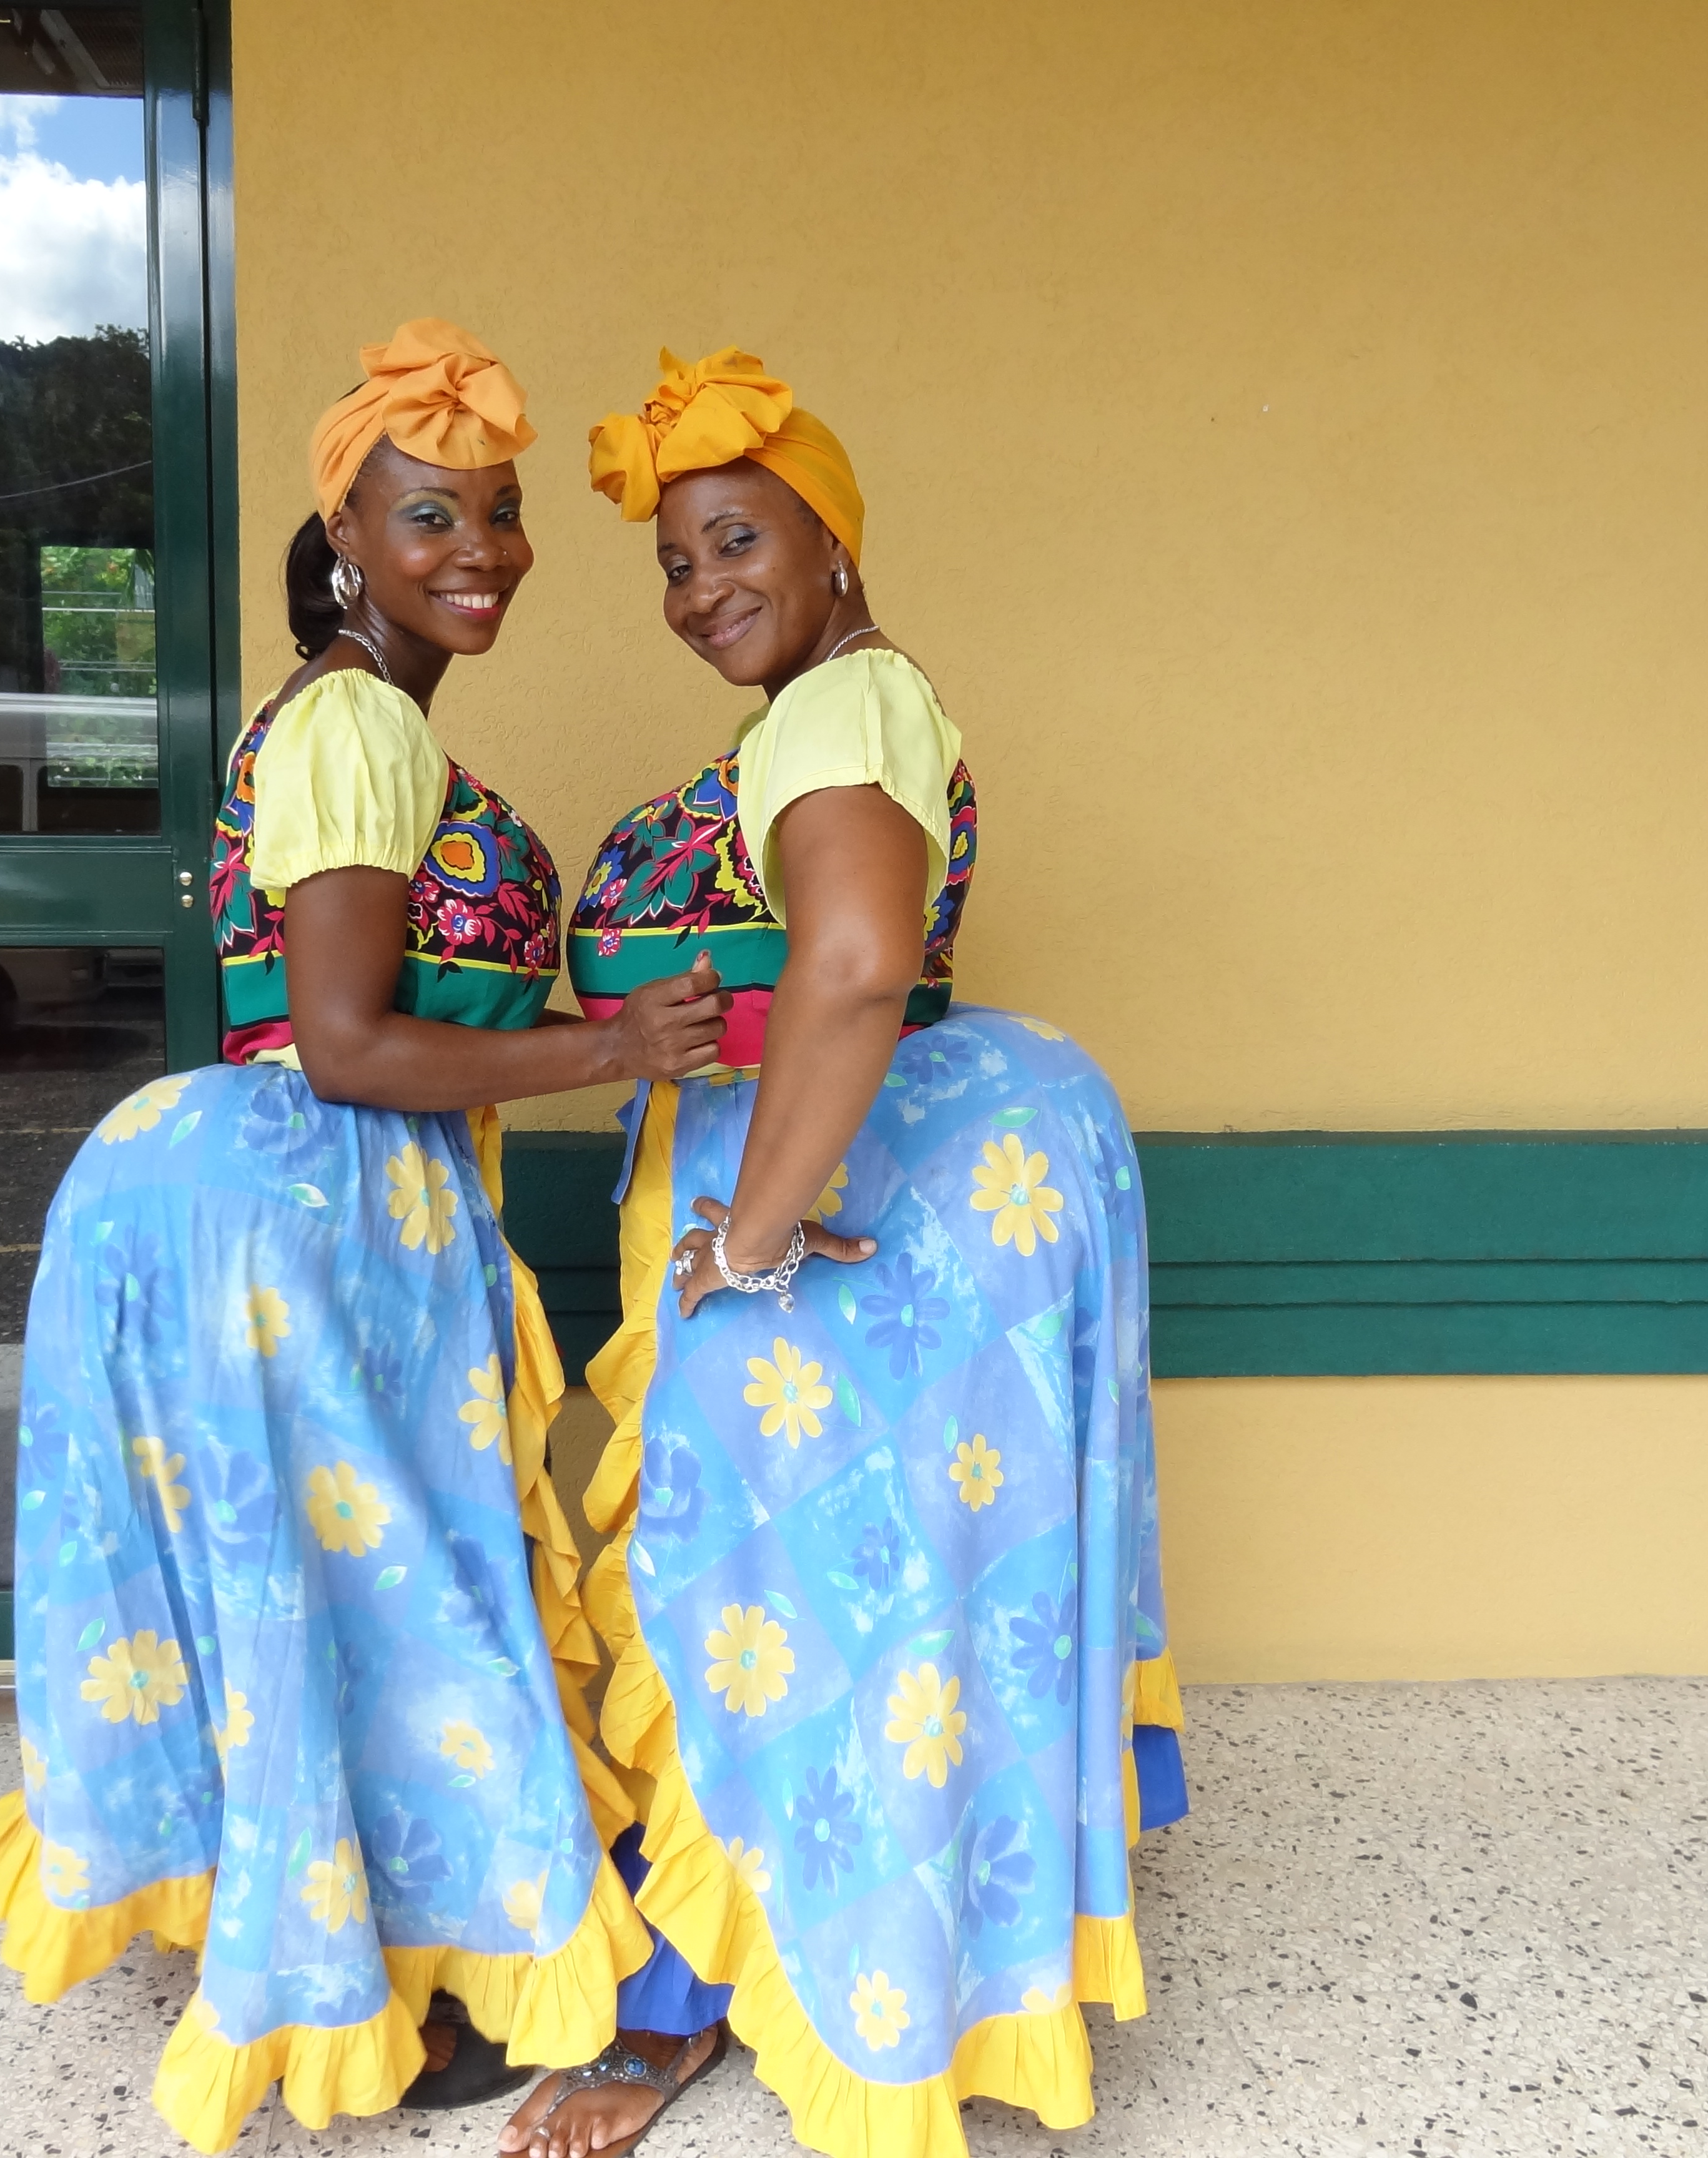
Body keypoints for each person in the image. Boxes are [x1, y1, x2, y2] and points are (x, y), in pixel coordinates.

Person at [0, 320, 729, 2151]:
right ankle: (364, 1971)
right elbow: (344, 1042)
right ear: (346, 542)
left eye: (500, 512)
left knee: (324, 1596)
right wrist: (616, 1047)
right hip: (303, 1201)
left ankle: (344, 1939)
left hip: (293, 1202)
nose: (480, 549)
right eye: (429, 515)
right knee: (385, 1598)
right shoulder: (359, 720)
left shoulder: (357, 717)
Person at [506, 348, 1186, 2158]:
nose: (700, 588)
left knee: (743, 1597)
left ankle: (686, 2012)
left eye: (739, 540)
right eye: (676, 561)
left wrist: (749, 1231)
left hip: (825, 1246)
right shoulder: (843, 706)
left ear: (835, 544)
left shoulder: (840, 708)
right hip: (870, 1211)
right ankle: (860, 1963)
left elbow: (861, 962)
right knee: (855, 1608)